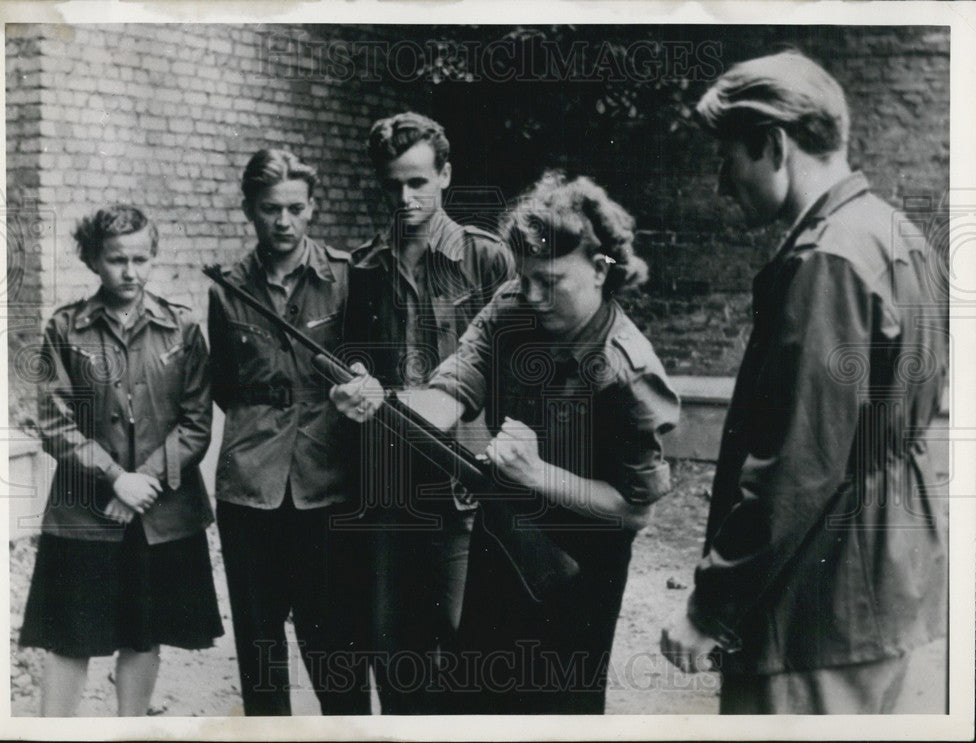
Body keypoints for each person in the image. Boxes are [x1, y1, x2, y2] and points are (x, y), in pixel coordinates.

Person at [659, 51, 948, 714]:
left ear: (773, 143)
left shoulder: (827, 258)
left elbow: (795, 463)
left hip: (812, 607)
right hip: (882, 588)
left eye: (728, 156)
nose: (722, 182)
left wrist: (710, 607)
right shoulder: (897, 234)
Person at [334, 172, 680, 714]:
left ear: (599, 269)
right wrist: (384, 401)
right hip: (501, 541)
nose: (534, 297)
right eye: (526, 278)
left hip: (577, 566)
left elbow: (635, 510)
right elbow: (449, 393)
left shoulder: (626, 370)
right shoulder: (514, 304)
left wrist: (539, 474)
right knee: (476, 698)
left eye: (551, 281)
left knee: (555, 712)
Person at [333, 112, 514, 713]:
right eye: (392, 185)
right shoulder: (363, 268)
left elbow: (517, 369)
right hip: (389, 486)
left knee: (468, 641)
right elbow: (355, 363)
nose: (405, 199)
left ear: (446, 176)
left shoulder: (487, 261)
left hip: (467, 482)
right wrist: (355, 384)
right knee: (394, 645)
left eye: (417, 182)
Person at [19, 204, 223, 716]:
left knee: (144, 629)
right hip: (84, 514)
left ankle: (130, 725)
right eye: (116, 260)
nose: (130, 272)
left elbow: (197, 421)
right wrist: (114, 480)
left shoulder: (182, 327)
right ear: (93, 261)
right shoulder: (65, 328)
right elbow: (53, 417)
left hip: (160, 510)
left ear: (153, 257)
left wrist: (143, 483)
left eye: (140, 259)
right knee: (71, 636)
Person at [207, 149, 370, 716]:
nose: (284, 221)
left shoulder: (346, 278)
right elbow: (227, 383)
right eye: (270, 208)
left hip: (326, 483)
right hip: (250, 486)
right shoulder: (226, 288)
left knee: (336, 647)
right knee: (260, 649)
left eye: (296, 208)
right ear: (249, 209)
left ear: (312, 208)